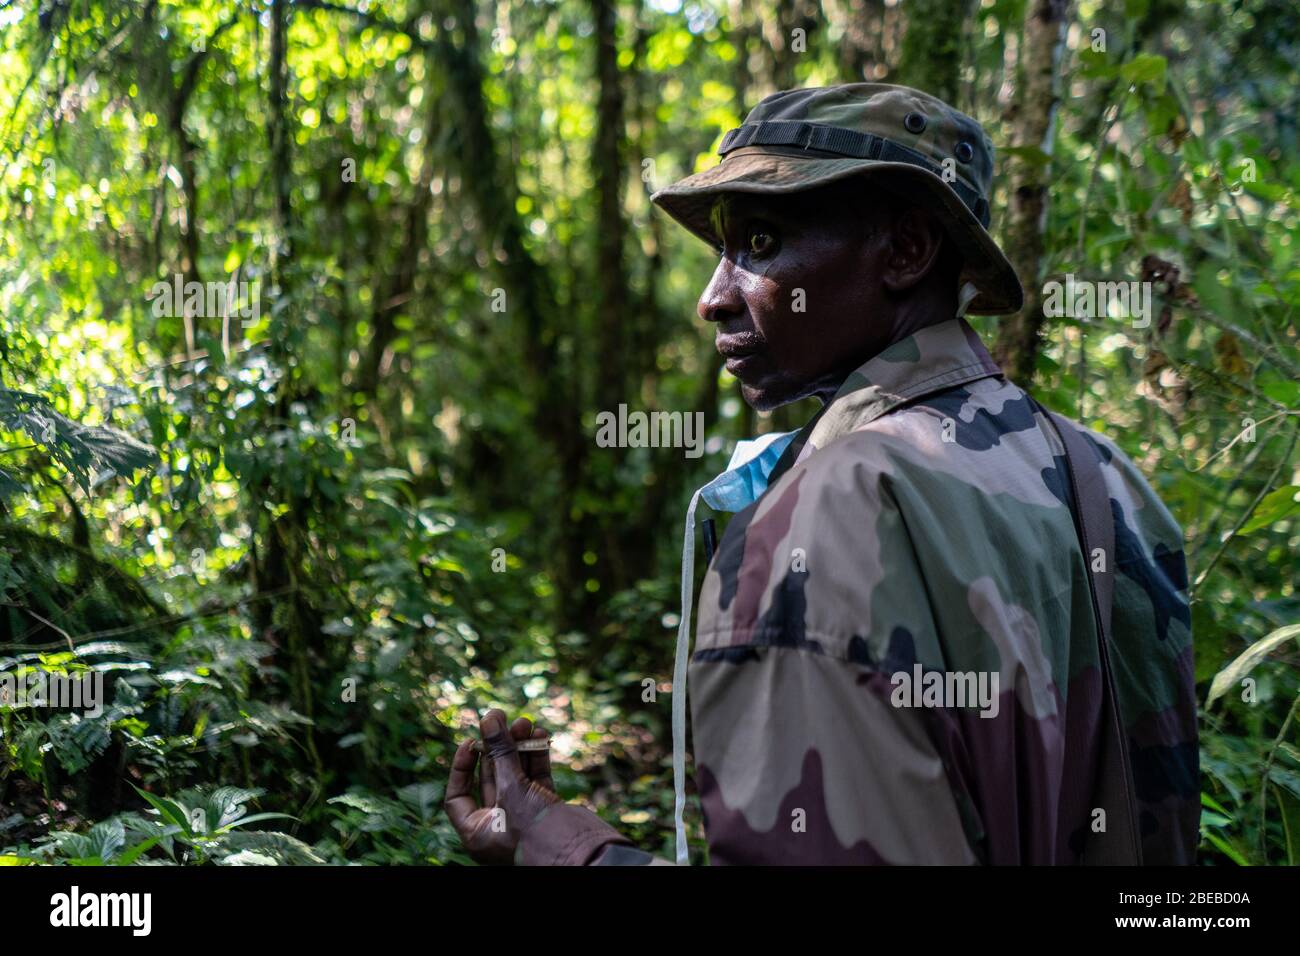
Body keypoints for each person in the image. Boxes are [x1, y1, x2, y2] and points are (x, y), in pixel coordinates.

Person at [444, 83, 1198, 865]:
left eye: (762, 244)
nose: (713, 298)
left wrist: (573, 853)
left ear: (905, 252)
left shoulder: (824, 513)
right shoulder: (1110, 481)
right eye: (721, 252)